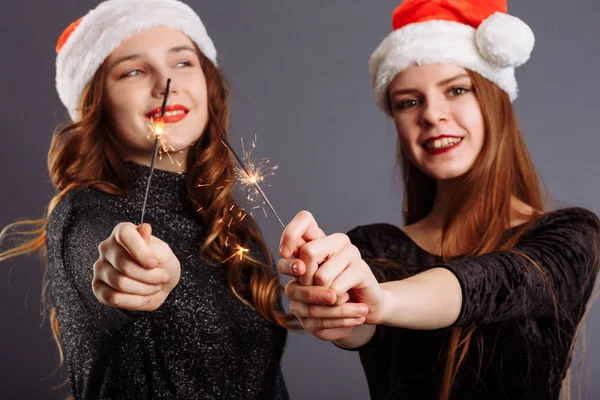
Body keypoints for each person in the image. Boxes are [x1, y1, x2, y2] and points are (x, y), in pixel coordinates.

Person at [277, 0, 600, 399]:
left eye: (457, 90)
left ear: (494, 99)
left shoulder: (569, 235)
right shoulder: (373, 247)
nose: (432, 115)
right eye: (409, 102)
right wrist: (334, 301)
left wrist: (384, 300)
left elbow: (499, 283)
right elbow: (357, 324)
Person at [0, 0, 291, 398]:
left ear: (208, 84)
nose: (164, 83)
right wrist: (139, 269)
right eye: (133, 70)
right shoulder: (83, 215)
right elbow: (105, 249)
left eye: (183, 63)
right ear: (97, 103)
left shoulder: (230, 223)